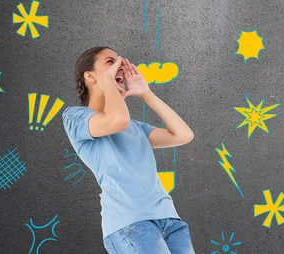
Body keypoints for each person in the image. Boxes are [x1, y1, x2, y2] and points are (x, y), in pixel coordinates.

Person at [62, 46, 195, 253]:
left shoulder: (136, 127)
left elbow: (183, 135)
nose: (120, 67)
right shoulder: (75, 117)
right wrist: (108, 82)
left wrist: (146, 93)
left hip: (169, 219)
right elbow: (118, 120)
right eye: (110, 62)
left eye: (120, 62)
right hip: (130, 223)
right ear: (90, 76)